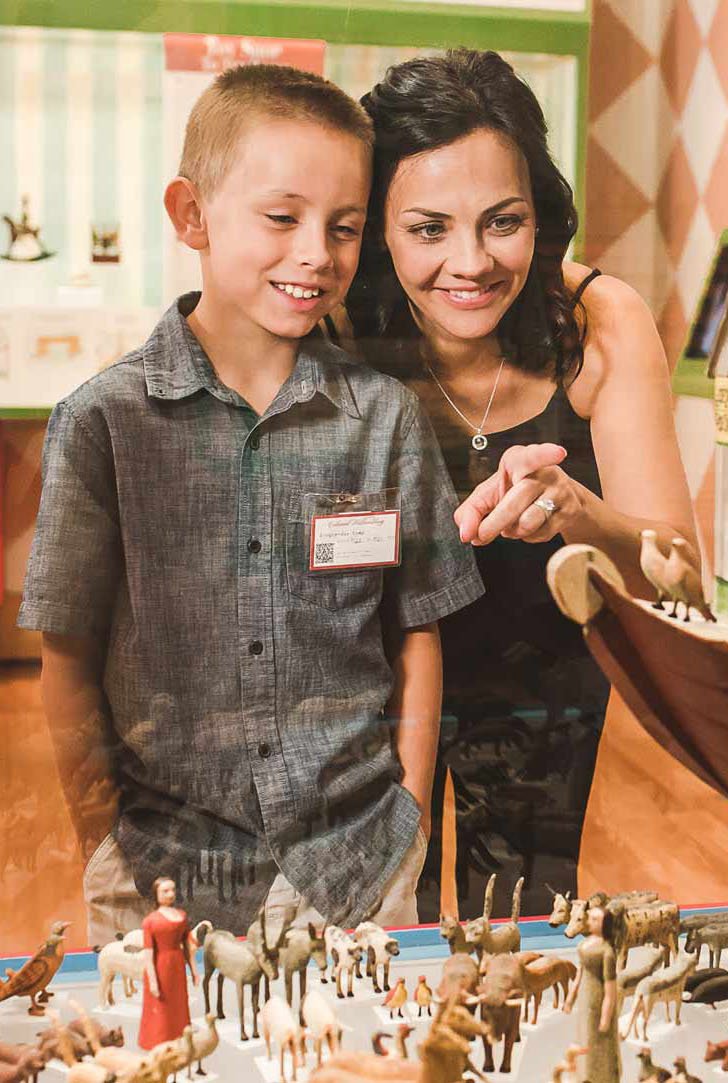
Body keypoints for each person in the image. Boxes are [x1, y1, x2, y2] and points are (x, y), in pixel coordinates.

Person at [20, 64, 483, 946]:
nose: (317, 252)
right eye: (282, 217)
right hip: (162, 872)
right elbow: (67, 657)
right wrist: (99, 846)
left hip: (359, 865)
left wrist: (412, 820)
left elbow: (415, 630)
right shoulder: (103, 423)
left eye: (344, 228)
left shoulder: (382, 418)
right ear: (192, 214)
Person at [345, 49, 696, 912]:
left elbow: (680, 568)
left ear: (540, 210)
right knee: (384, 924)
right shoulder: (340, 320)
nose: (469, 263)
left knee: (524, 927)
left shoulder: (597, 321)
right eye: (428, 229)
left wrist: (580, 512)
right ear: (378, 230)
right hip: (370, 683)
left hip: (545, 687)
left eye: (502, 221)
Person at [564, 901, 620, 1083]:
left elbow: (610, 989)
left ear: (604, 924)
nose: (590, 921)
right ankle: (584, 1073)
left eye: (595, 919)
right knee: (585, 1035)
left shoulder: (607, 951)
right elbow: (580, 972)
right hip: (585, 997)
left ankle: (600, 1076)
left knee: (598, 1041)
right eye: (591, 918)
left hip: (598, 998)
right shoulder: (585, 944)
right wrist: (571, 997)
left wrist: (606, 1016)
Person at [138, 876, 196, 1050]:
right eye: (165, 891)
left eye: (172, 890)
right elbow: (148, 955)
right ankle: (159, 1040)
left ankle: (179, 1035)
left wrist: (193, 969)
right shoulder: (150, 921)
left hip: (177, 965)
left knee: (178, 1002)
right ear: (156, 894)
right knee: (161, 1005)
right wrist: (153, 981)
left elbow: (187, 944)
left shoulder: (181, 916)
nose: (170, 894)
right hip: (160, 965)